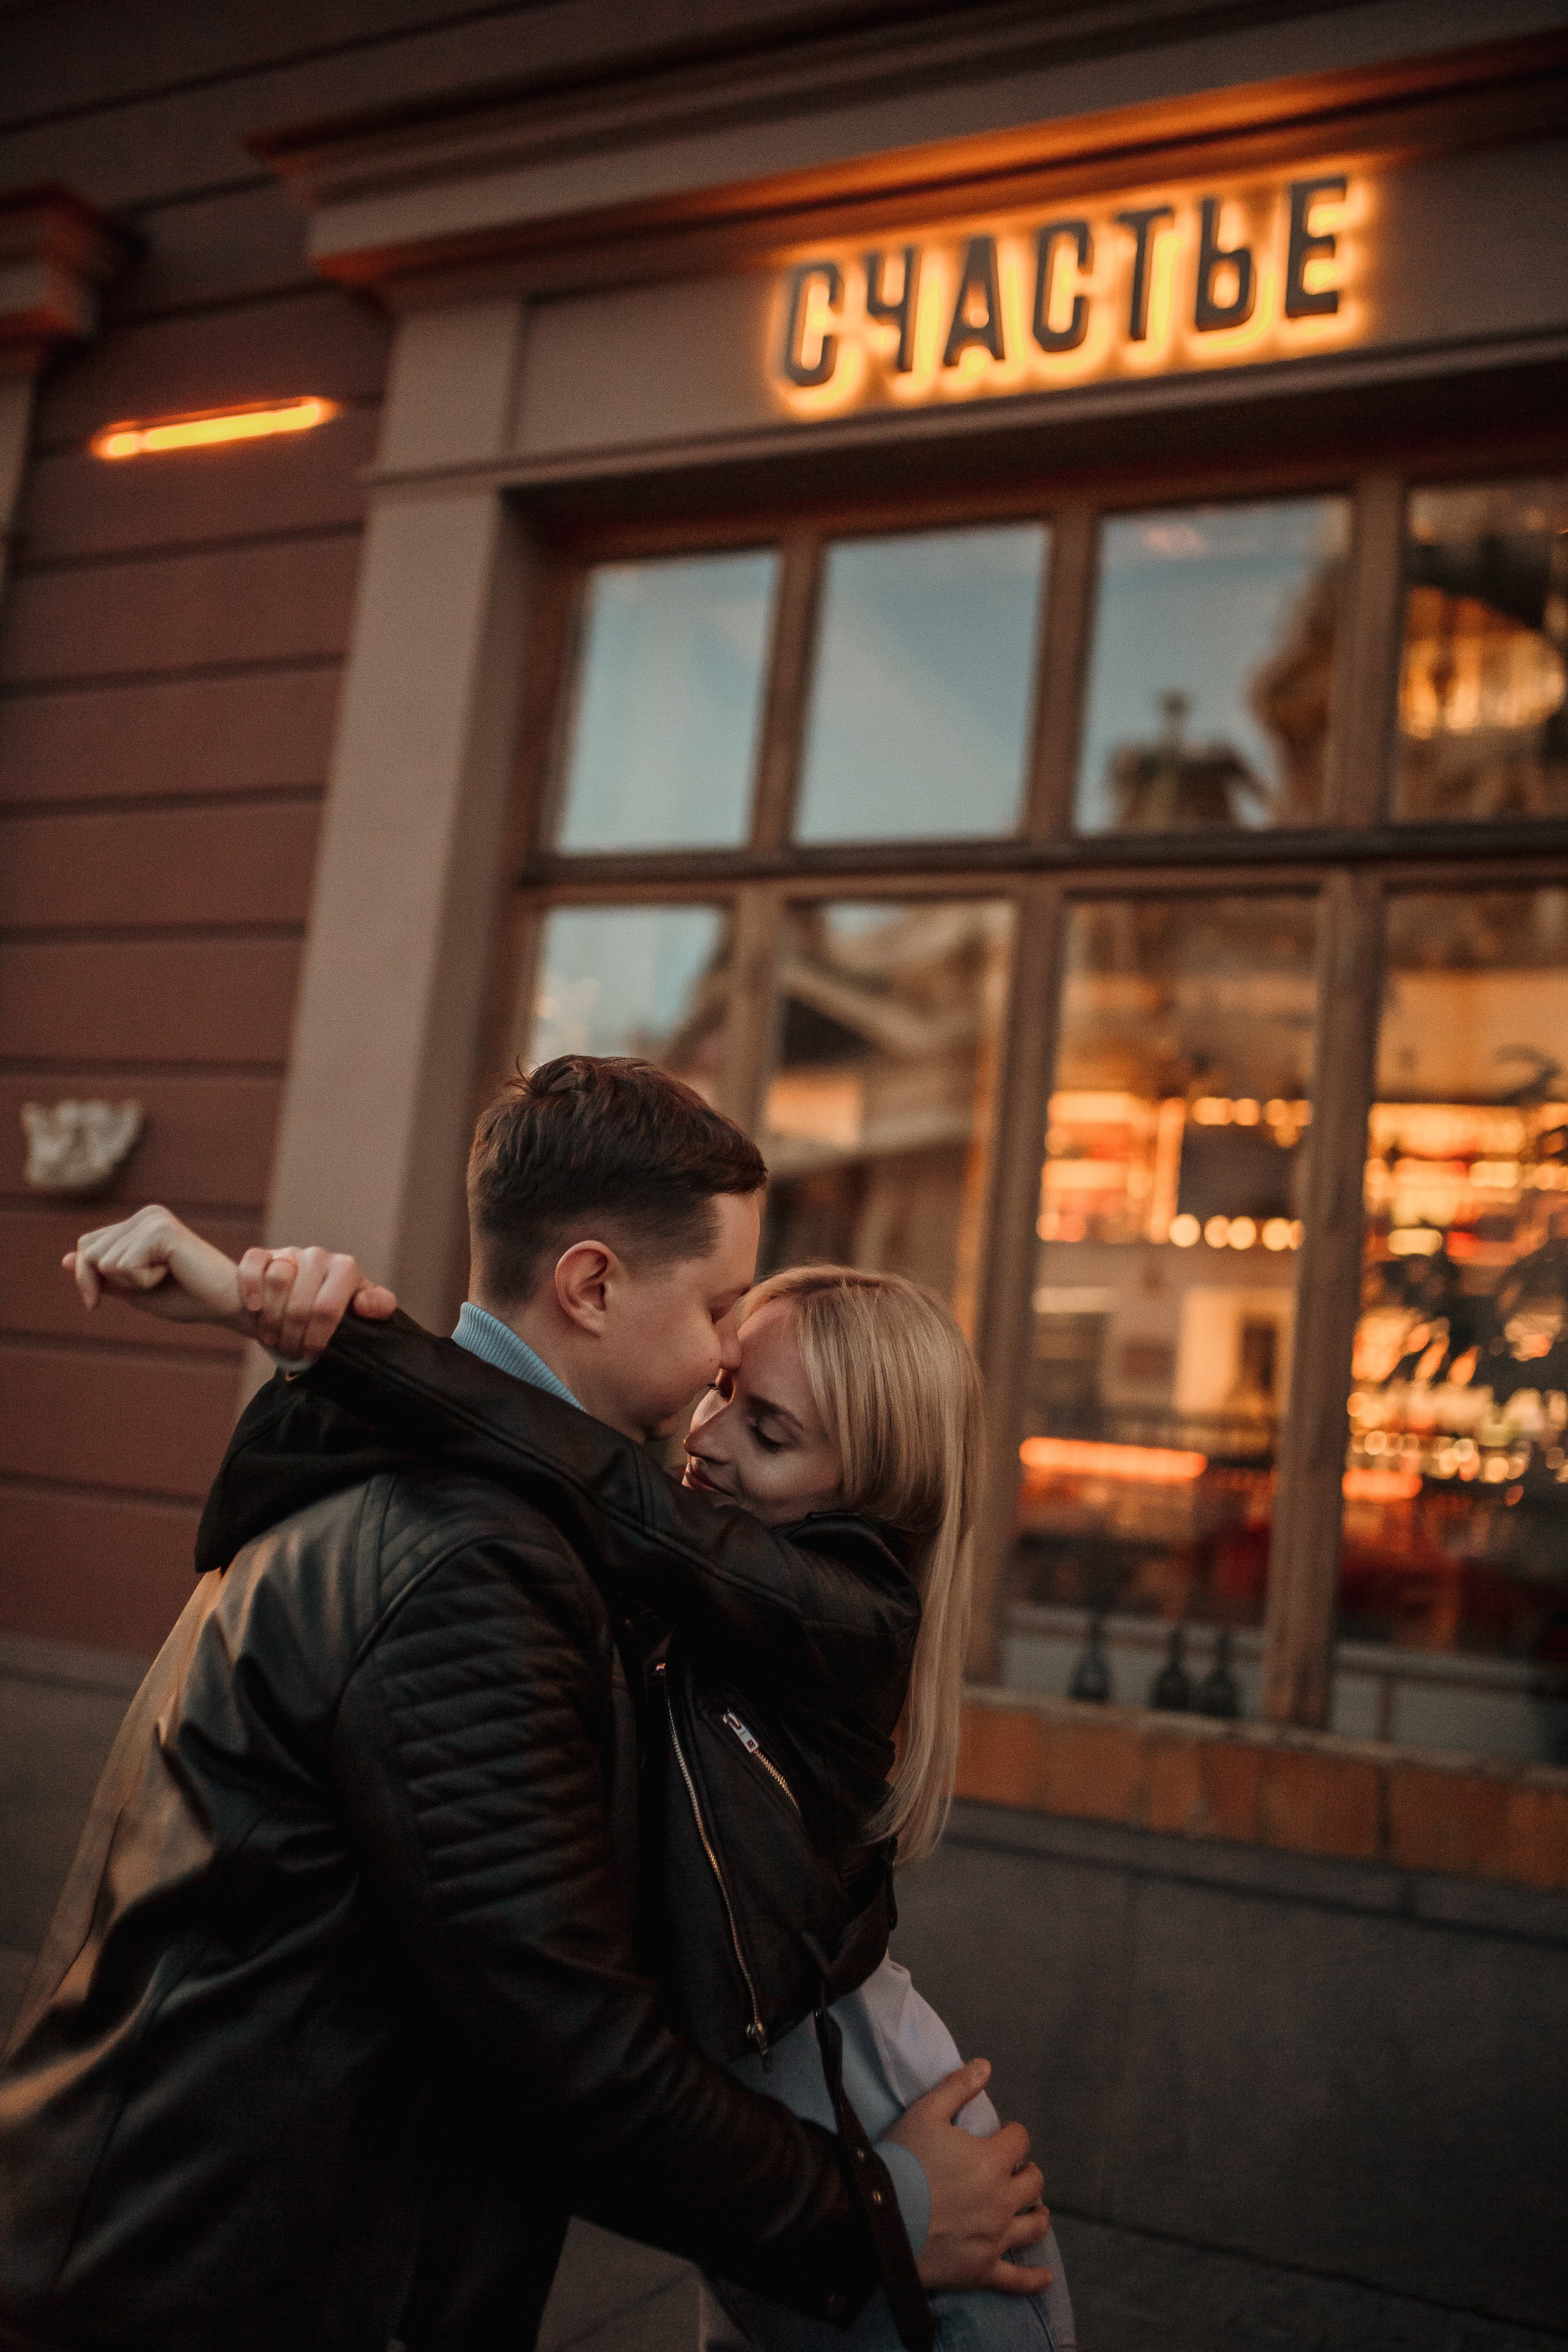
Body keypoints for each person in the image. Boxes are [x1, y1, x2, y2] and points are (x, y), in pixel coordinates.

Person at [1, 1060, 1049, 2352]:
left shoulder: (463, 1497)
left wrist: (330, 1337)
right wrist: (872, 2211)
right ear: (594, 1283)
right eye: (719, 1305)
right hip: (237, 2278)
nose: (729, 1347)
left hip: (219, 2245)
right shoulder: (476, 1561)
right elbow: (567, 2042)